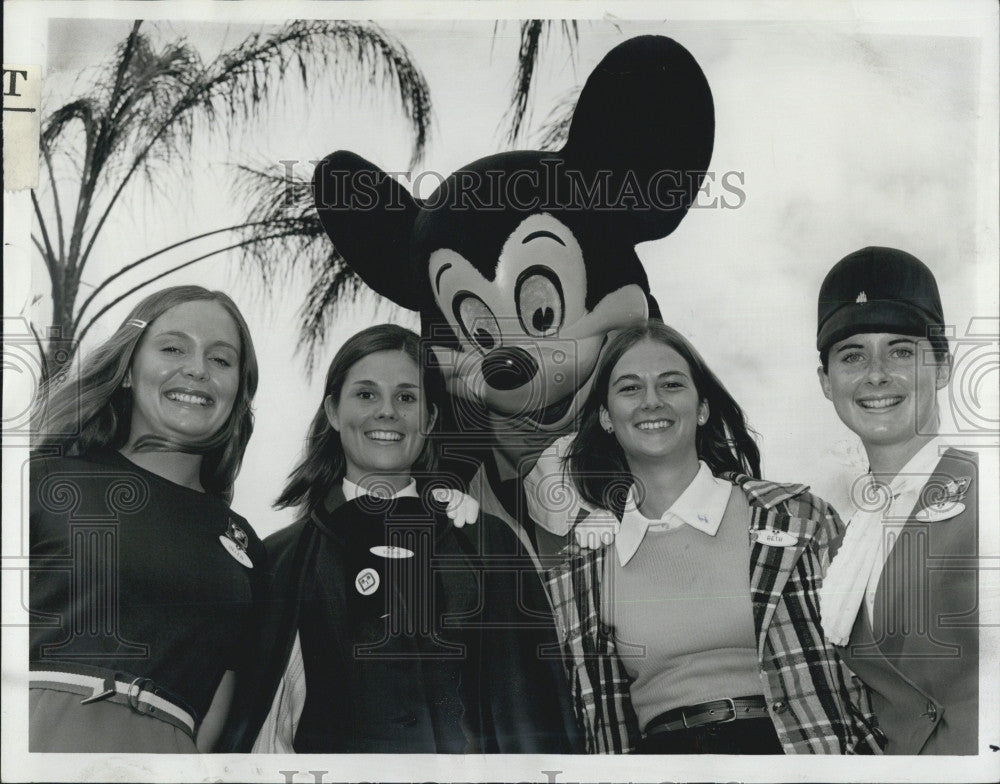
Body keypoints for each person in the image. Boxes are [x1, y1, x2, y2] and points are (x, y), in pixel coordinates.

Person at [228, 324, 579, 753]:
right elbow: (266, 733)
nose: (387, 411)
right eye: (366, 394)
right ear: (334, 412)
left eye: (407, 397)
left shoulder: (488, 543)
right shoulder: (281, 560)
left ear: (429, 419)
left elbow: (534, 710)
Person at [543, 319, 879, 754]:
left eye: (671, 384)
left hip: (795, 754)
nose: (651, 402)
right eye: (629, 389)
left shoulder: (798, 519)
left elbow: (870, 671)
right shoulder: (580, 571)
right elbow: (593, 725)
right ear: (606, 417)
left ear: (702, 408)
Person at [29, 285, 263, 753]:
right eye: (173, 347)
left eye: (221, 360)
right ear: (130, 370)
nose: (197, 369)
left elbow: (220, 701)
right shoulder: (42, 482)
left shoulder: (246, 546)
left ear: (237, 391)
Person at [816, 246, 978, 755]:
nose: (876, 373)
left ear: (945, 367)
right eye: (852, 355)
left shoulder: (988, 486)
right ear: (826, 381)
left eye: (902, 351)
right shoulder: (849, 536)